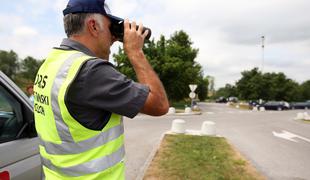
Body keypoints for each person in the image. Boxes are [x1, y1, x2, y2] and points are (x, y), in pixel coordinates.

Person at [33, 0, 169, 179]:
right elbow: (159, 105)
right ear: (93, 26)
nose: (114, 38)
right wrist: (135, 52)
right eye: (110, 28)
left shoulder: (51, 64)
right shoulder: (91, 71)